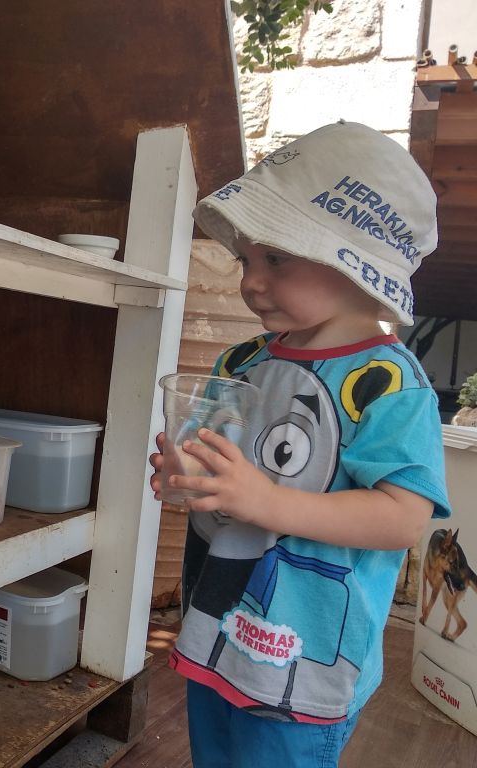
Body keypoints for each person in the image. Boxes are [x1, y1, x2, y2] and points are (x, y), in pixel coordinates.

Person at [148, 120, 451, 767]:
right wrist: (188, 474)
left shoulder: (389, 385)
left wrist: (267, 502)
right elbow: (222, 467)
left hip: (303, 667)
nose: (251, 281)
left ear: (354, 258)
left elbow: (403, 518)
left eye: (277, 259)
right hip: (219, 634)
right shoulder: (243, 361)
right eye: (246, 260)